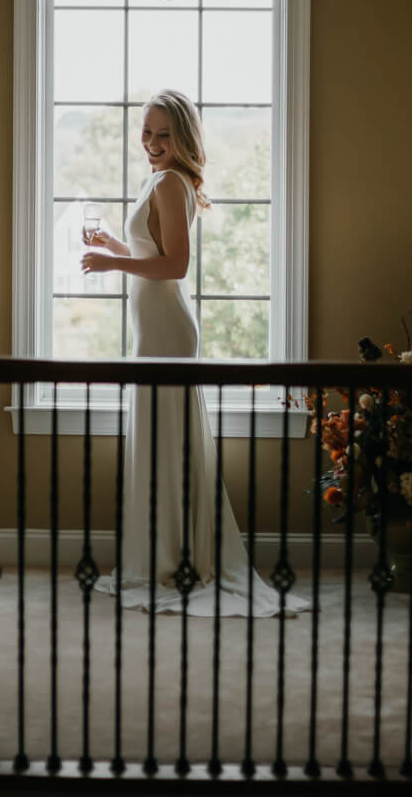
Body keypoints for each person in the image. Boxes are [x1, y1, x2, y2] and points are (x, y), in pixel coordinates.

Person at [81, 90, 309, 618]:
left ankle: (177, 559)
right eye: (146, 132)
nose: (153, 143)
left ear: (182, 137)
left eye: (164, 134)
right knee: (159, 442)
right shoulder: (158, 182)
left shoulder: (169, 182)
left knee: (168, 442)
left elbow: (175, 267)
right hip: (153, 331)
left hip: (166, 333)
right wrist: (115, 245)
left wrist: (114, 266)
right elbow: (153, 255)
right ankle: (164, 555)